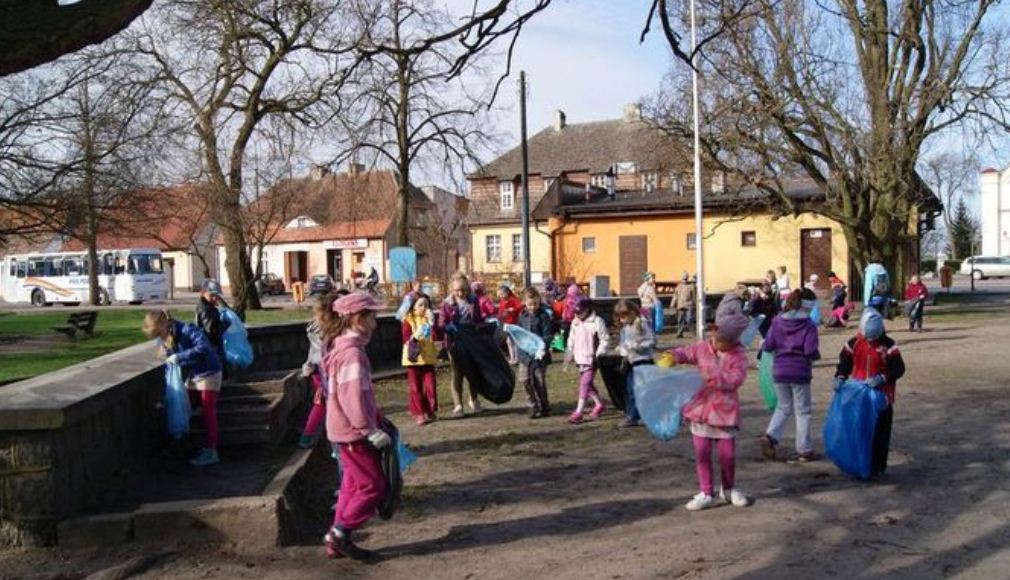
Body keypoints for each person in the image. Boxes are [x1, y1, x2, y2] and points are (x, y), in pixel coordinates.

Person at [320, 292, 388, 560]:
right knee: (373, 485)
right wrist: (369, 430)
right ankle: (340, 533)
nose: (376, 324)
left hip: (342, 429)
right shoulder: (352, 356)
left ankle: (335, 537)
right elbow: (352, 399)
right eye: (373, 317)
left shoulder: (341, 348)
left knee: (351, 484)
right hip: (353, 433)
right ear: (358, 319)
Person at [667, 294, 751, 510]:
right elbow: (687, 352)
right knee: (702, 454)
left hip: (724, 412)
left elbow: (736, 379)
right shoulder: (703, 347)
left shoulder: (739, 355)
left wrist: (713, 377)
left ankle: (729, 488)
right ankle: (706, 491)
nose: (715, 343)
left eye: (721, 341)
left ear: (732, 341)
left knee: (727, 455)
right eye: (713, 337)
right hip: (700, 410)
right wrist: (674, 356)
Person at [142, 310, 223, 467]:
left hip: (209, 372)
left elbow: (204, 348)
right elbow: (170, 364)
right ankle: (181, 444)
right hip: (193, 375)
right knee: (182, 407)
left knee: (208, 411)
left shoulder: (187, 330)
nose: (159, 337)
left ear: (165, 324)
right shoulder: (166, 338)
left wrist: (180, 356)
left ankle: (212, 451)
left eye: (159, 333)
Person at [833, 307, 906, 478]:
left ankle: (877, 467)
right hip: (859, 398)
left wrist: (883, 377)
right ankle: (858, 463)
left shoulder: (889, 345)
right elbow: (844, 363)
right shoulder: (853, 344)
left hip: (882, 398)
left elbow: (899, 368)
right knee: (859, 430)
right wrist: (840, 376)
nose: (871, 340)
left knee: (880, 433)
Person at [758, 288, 821, 462]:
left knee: (783, 407)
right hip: (800, 372)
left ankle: (770, 436)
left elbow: (769, 345)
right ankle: (804, 449)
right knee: (803, 411)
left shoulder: (777, 321)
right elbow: (810, 350)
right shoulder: (809, 325)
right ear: (808, 305)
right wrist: (815, 357)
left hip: (779, 370)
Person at [298, 289, 346, 448]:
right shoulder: (329, 328)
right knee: (324, 403)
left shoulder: (315, 325)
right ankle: (310, 436)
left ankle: (313, 436)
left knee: (325, 402)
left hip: (317, 367)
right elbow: (324, 350)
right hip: (324, 370)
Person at [437, 273, 486, 417]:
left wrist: (481, 324)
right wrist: (448, 326)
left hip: (471, 341)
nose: (460, 293)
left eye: (463, 290)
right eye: (457, 290)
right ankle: (458, 405)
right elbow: (441, 323)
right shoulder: (447, 304)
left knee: (473, 372)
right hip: (455, 343)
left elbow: (477, 318)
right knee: (457, 374)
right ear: (452, 289)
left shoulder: (473, 301)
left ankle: (474, 400)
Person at [564, 296, 609, 424]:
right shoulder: (575, 322)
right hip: (580, 358)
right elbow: (571, 339)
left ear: (588, 309)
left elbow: (604, 339)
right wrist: (569, 353)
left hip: (592, 359)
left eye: (580, 312)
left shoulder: (597, 322)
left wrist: (600, 353)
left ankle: (578, 412)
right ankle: (599, 405)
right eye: (576, 313)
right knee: (588, 385)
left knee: (584, 384)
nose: (578, 315)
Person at [614, 298, 656, 428]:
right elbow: (623, 342)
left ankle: (639, 416)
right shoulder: (625, 327)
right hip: (631, 362)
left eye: (624, 316)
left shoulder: (641, 323)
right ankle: (633, 414)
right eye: (620, 317)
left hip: (643, 361)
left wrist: (637, 346)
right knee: (630, 389)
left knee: (641, 389)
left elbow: (652, 341)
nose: (622, 320)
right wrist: (622, 348)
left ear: (632, 312)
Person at [401, 293, 438, 425]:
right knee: (415, 387)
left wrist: (432, 323)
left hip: (428, 358)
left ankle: (430, 409)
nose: (423, 308)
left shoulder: (429, 318)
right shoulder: (408, 319)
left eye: (426, 305)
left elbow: (436, 336)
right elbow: (405, 338)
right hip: (414, 358)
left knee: (430, 385)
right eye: (420, 305)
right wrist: (415, 336)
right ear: (414, 307)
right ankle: (419, 413)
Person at [517, 287, 554, 418]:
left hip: (539, 355)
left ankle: (544, 405)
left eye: (536, 304)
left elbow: (548, 335)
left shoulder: (543, 316)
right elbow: (518, 334)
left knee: (539, 382)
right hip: (524, 355)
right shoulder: (522, 316)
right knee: (524, 380)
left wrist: (541, 346)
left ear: (539, 301)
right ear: (525, 303)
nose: (533, 307)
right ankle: (532, 405)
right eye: (530, 304)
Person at [195, 278, 228, 371]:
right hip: (212, 346)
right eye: (212, 295)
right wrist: (224, 325)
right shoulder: (206, 309)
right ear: (203, 293)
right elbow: (211, 330)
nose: (215, 298)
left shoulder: (208, 306)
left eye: (216, 296)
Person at [673, 271, 697, 338]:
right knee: (680, 320)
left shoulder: (691, 286)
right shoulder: (678, 286)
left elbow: (694, 296)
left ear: (688, 278)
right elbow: (675, 296)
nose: (684, 279)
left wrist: (695, 304)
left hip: (689, 305)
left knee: (689, 319)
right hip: (681, 305)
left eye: (686, 278)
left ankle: (694, 332)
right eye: (683, 278)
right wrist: (673, 303)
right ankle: (679, 333)